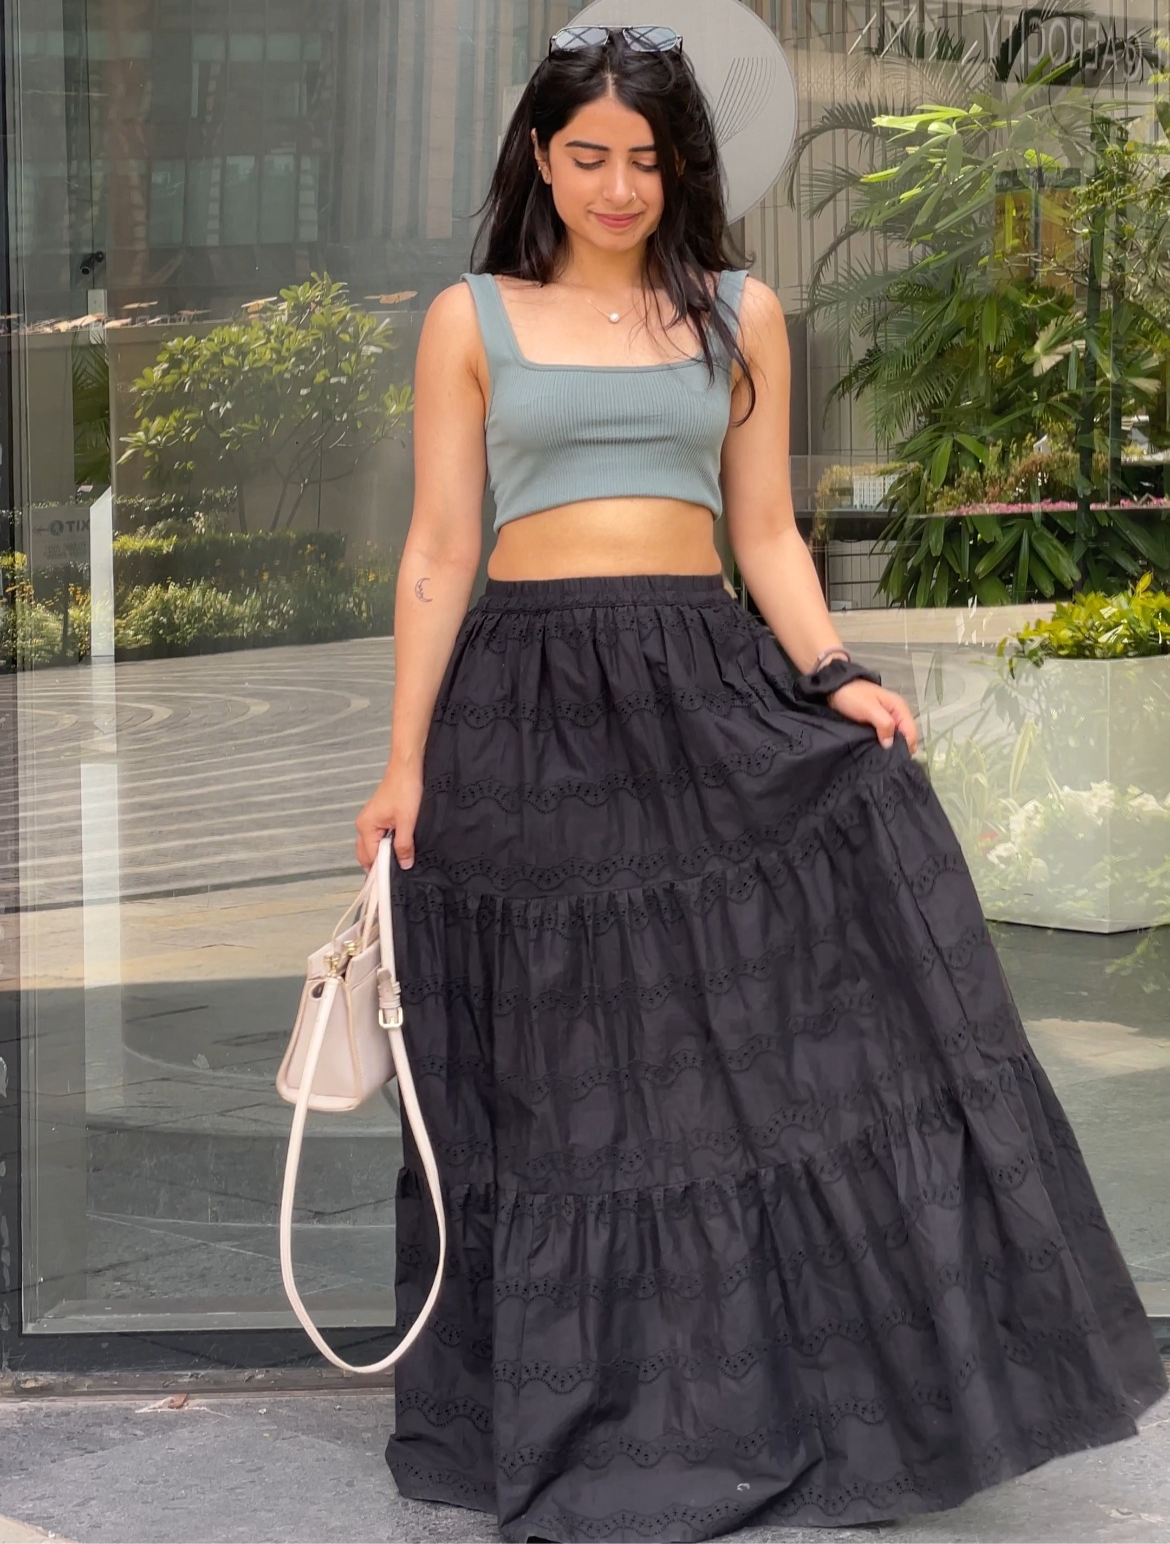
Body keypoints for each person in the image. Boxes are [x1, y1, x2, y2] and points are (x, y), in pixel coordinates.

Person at [355, 24, 1166, 1544]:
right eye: (586, 155)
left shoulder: (739, 312)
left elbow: (769, 535)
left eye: (644, 160)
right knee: (565, 1086)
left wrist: (835, 671)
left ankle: (777, 1396)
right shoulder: (470, 320)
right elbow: (438, 553)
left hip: (703, 684)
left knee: (750, 1054)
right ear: (540, 159)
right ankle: (583, 1416)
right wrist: (401, 766)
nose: (614, 185)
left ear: (682, 170)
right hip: (521, 707)